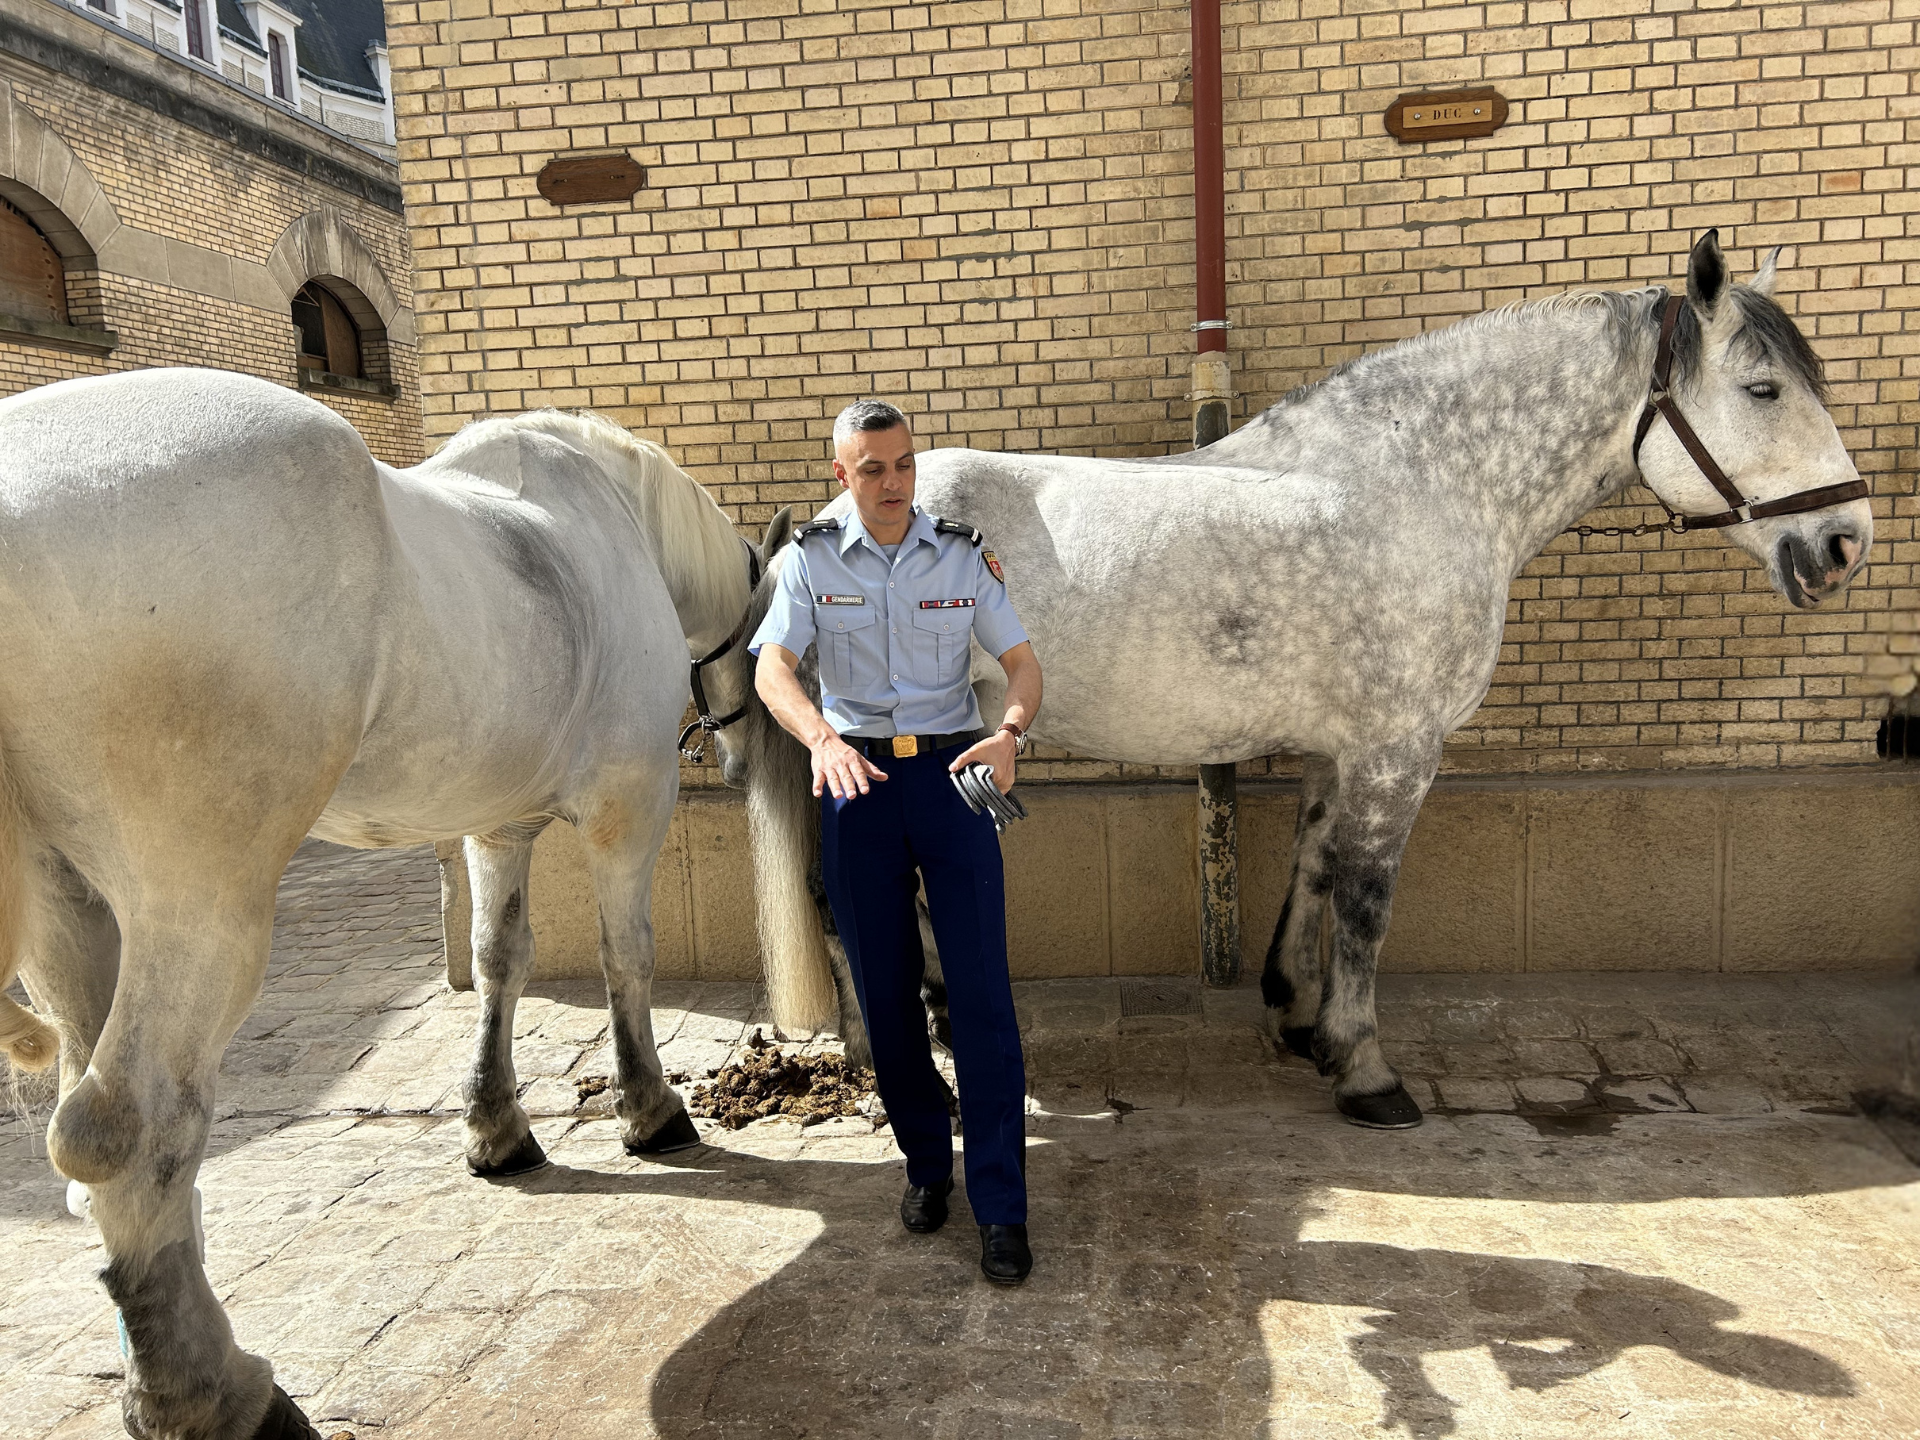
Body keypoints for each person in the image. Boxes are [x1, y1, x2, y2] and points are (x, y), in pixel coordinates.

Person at [750, 399, 1043, 1285]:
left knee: (982, 997)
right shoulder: (809, 562)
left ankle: (1002, 1205)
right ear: (841, 475)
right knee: (886, 999)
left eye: (903, 463)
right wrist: (821, 740)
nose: (892, 482)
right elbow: (772, 670)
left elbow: (1022, 664)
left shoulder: (960, 554)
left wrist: (1010, 734)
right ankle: (925, 1166)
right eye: (871, 468)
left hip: (953, 778)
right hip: (858, 787)